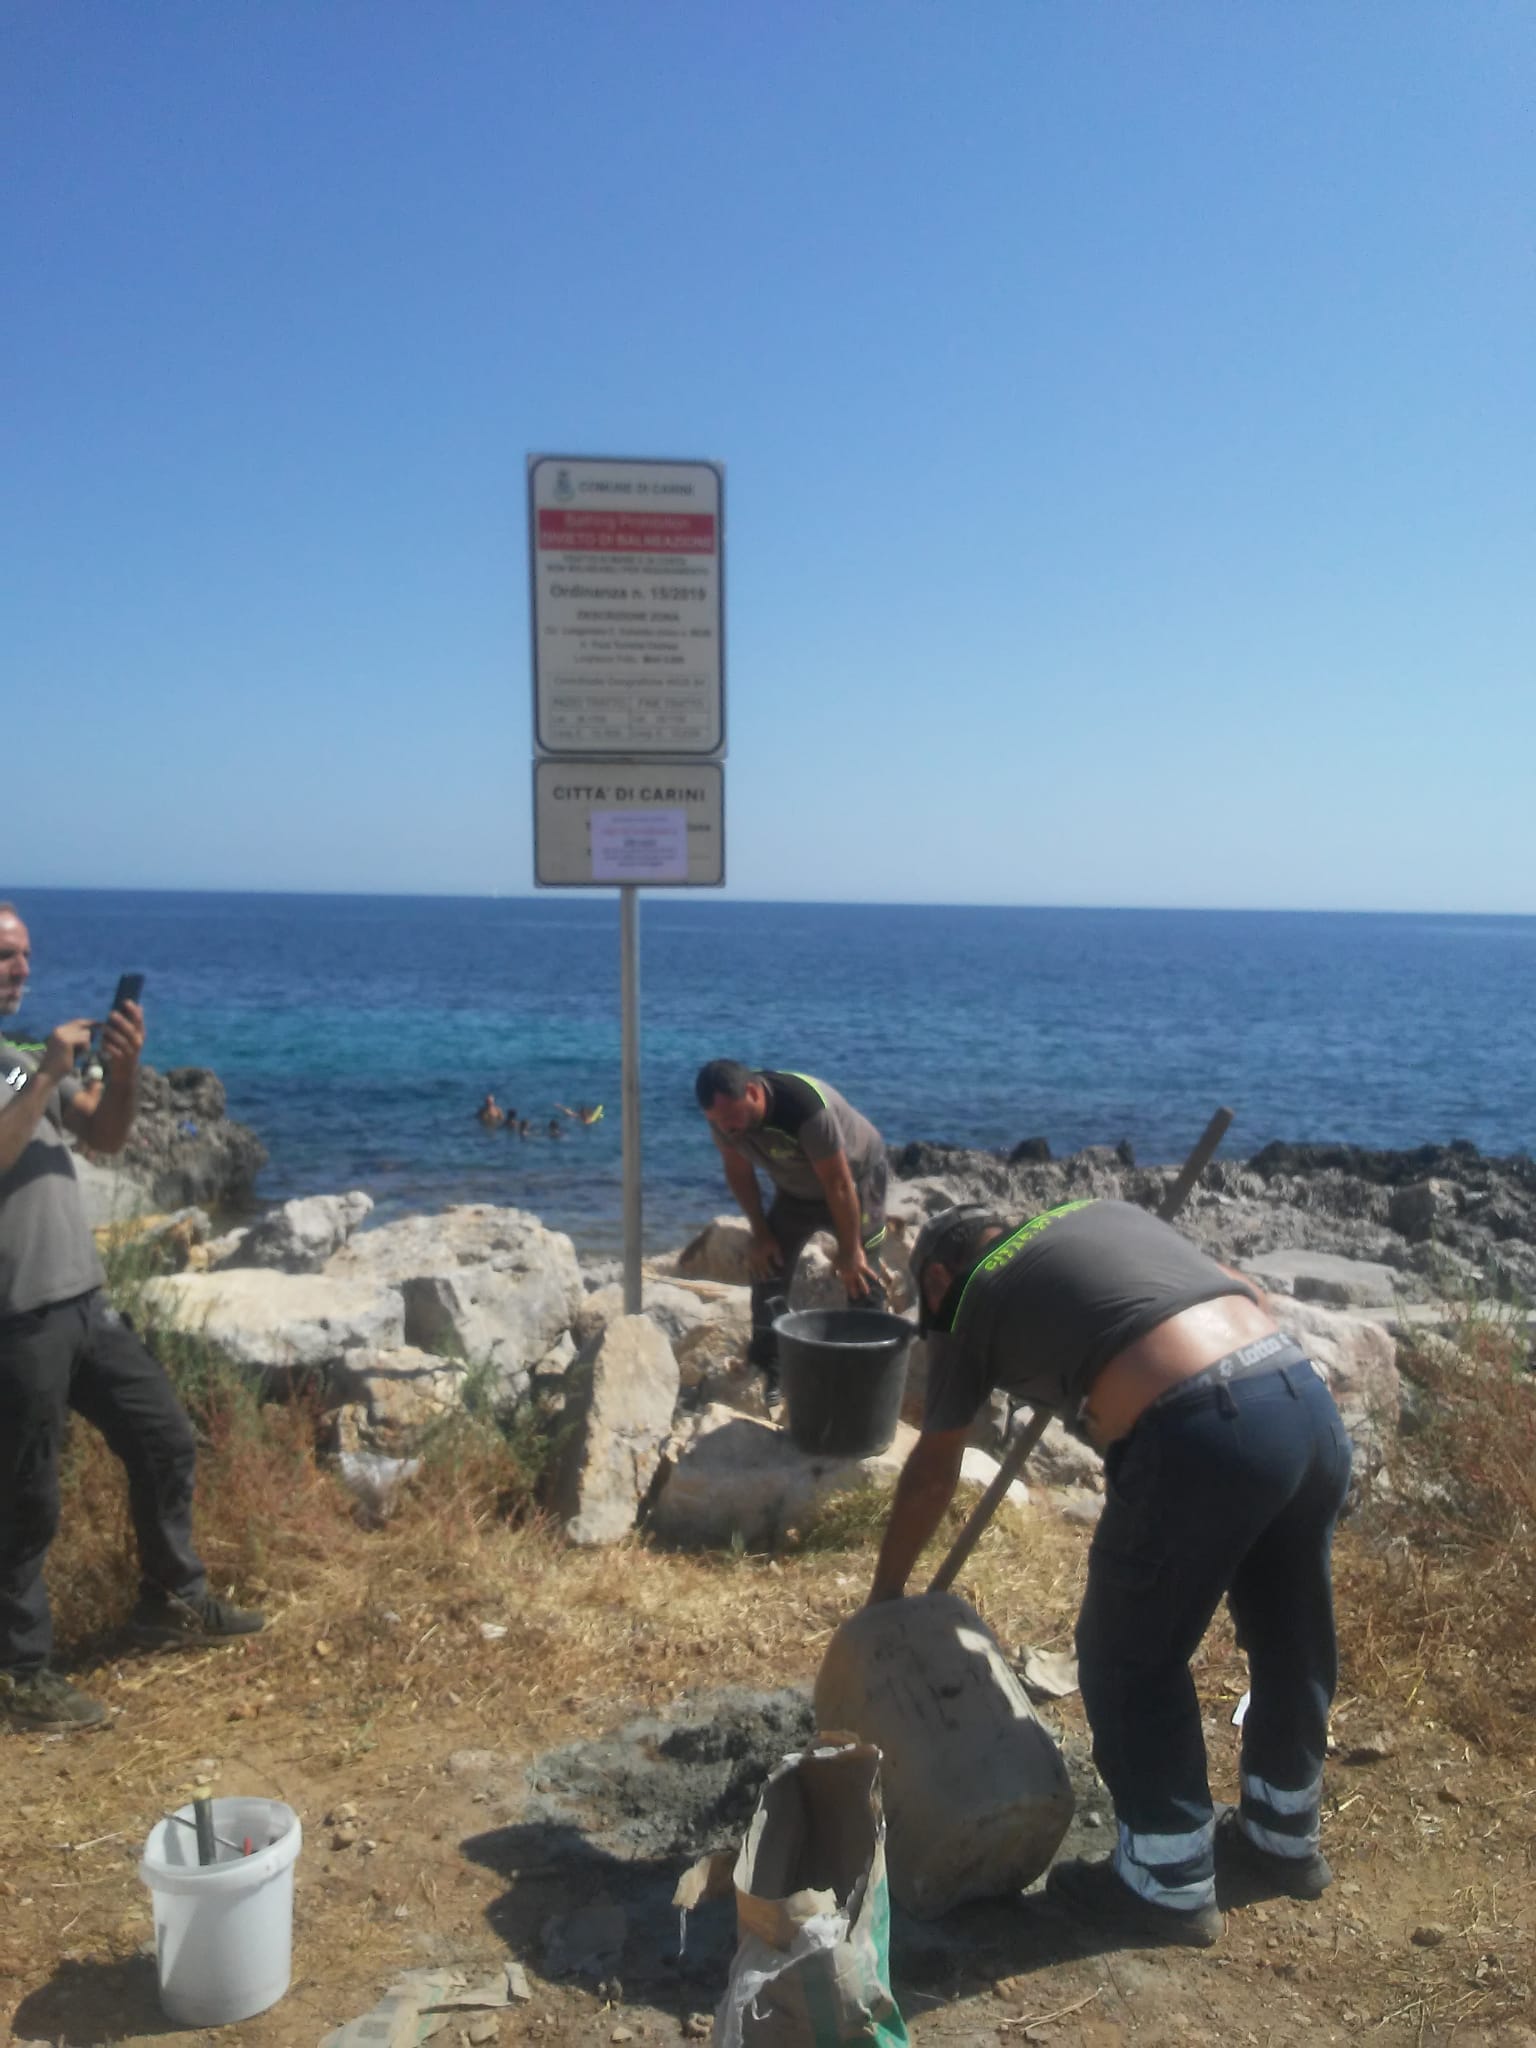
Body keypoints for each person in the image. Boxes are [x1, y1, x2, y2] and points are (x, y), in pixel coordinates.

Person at [867, 1196, 1352, 1949]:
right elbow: (1244, 1292)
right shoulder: (1100, 1212)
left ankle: (1167, 1884)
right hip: (1302, 1402)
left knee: (1128, 1656)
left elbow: (934, 1471)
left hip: (1204, 1428)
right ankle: (1283, 1838)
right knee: (1289, 1635)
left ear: (936, 1278)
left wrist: (884, 1596)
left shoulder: (973, 1296)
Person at [0, 905, 265, 1733]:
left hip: (83, 1301)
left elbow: (108, 1139)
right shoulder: (23, 1069)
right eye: (5, 955)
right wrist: (47, 1072)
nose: (21, 969)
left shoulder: (11, 1060)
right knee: (24, 1497)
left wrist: (123, 1067)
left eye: (26, 956)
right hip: (17, 1322)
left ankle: (172, 1601)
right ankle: (23, 1676)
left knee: (164, 1437)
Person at [694, 1060, 890, 1392]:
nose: (726, 1129)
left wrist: (850, 1248)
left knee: (860, 1275)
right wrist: (761, 1233)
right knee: (767, 1267)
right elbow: (739, 1173)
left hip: (855, 1181)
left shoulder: (803, 1108)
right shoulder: (723, 1120)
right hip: (796, 1189)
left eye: (731, 1118)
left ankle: (866, 1379)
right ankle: (769, 1368)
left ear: (753, 1093)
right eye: (717, 1122)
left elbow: (838, 1184)